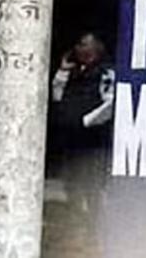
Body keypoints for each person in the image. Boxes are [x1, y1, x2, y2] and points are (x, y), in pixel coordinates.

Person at [50, 32, 114, 253]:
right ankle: (76, 234)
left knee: (92, 190)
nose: (81, 49)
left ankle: (95, 237)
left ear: (97, 47)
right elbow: (57, 96)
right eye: (78, 45)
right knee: (73, 188)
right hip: (73, 141)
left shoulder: (105, 72)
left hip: (93, 142)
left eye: (86, 44)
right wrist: (62, 72)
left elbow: (109, 104)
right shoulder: (74, 71)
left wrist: (85, 122)